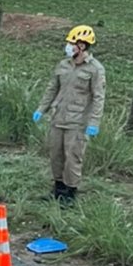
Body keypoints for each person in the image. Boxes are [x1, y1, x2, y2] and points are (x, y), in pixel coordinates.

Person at [33, 26, 106, 205]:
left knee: (72, 158)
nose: (68, 46)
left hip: (78, 122)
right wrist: (41, 109)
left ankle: (70, 194)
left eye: (71, 43)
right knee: (55, 155)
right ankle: (57, 190)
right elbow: (52, 88)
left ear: (81, 46)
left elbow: (98, 97)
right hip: (58, 118)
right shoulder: (63, 65)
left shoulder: (95, 69)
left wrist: (94, 122)